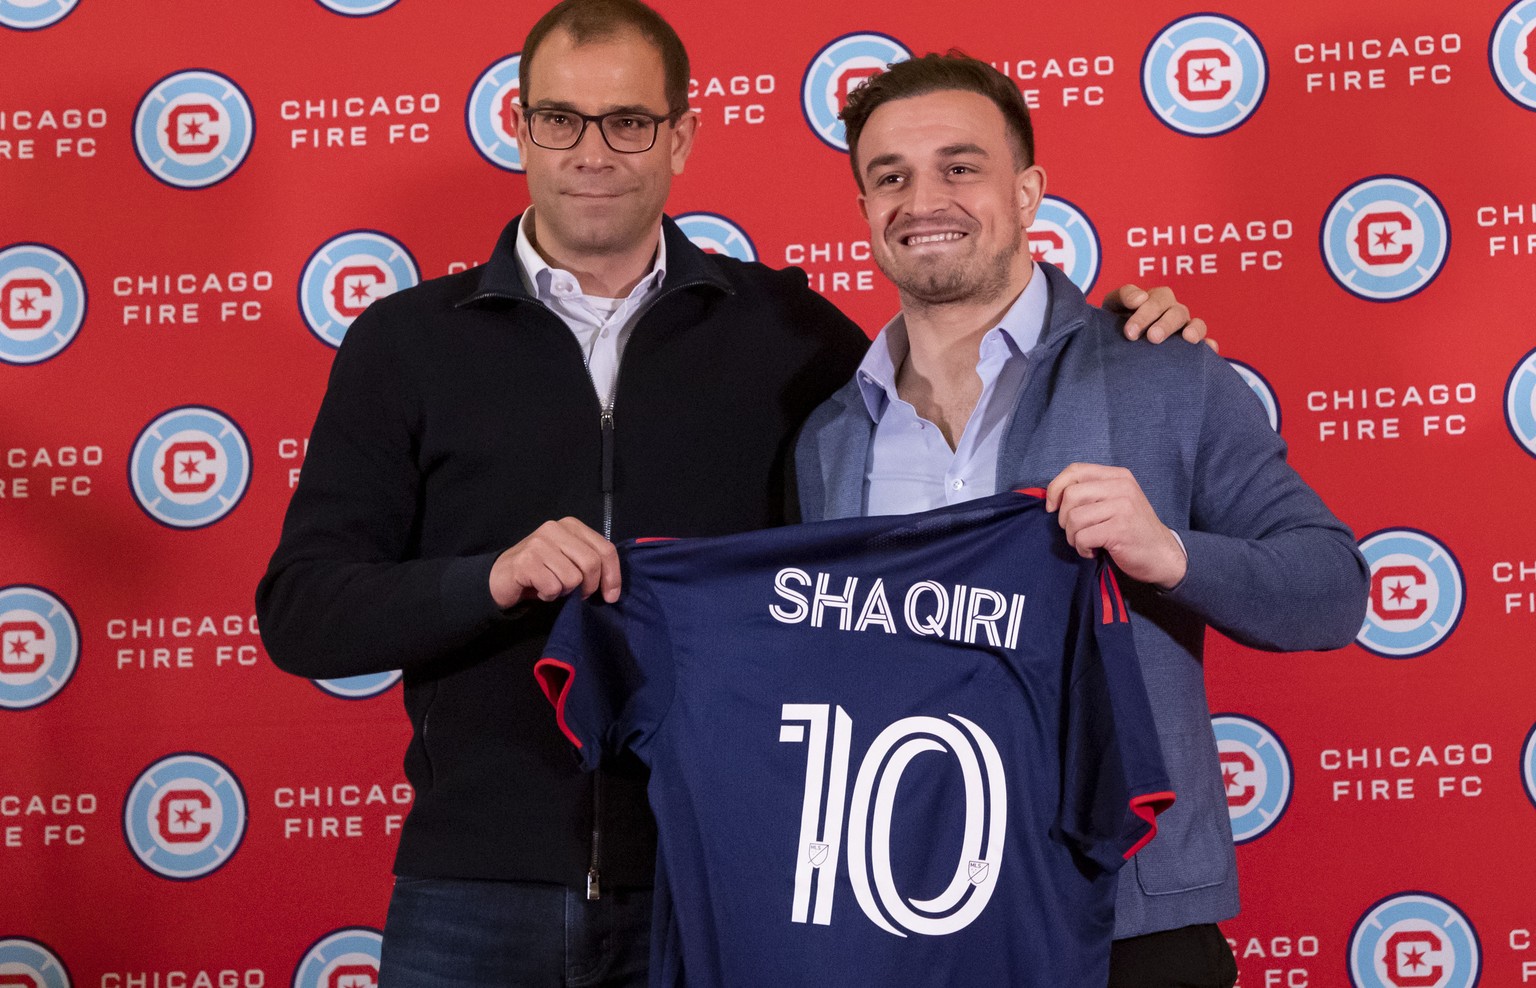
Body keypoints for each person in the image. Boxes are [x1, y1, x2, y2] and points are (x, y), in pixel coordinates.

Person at [255, 3, 1207, 984]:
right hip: (473, 889)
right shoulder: (405, 344)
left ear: (682, 136)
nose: (593, 151)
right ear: (517, 123)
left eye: (629, 121)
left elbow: (947, 416)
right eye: (560, 119)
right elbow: (305, 614)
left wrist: (1112, 337)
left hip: (726, 881)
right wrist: (489, 578)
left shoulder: (790, 336)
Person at [793, 53, 1370, 988]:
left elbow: (1332, 591)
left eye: (960, 166)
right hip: (904, 912)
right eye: (888, 177)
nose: (922, 197)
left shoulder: (1165, 371)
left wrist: (1170, 554)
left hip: (1126, 920)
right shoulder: (829, 436)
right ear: (864, 209)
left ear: (1028, 192)